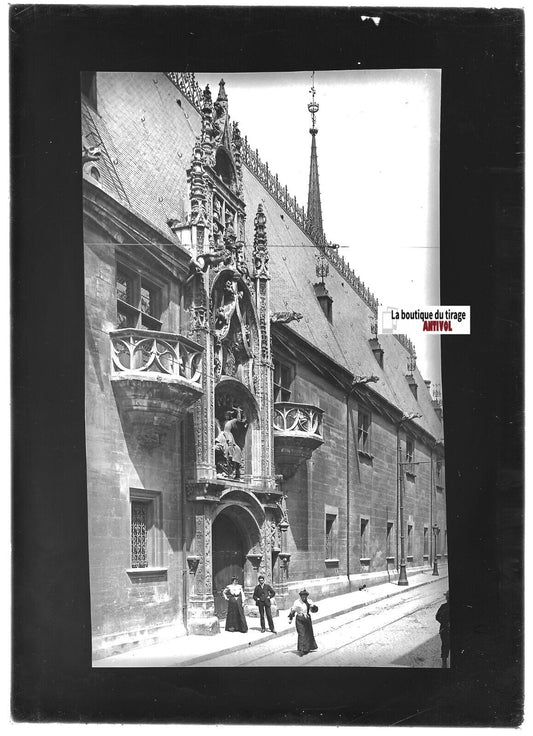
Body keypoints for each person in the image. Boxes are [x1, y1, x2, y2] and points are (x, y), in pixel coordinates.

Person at [288, 589, 318, 656]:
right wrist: (290, 619)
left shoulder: (309, 601)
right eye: (303, 596)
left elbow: (313, 609)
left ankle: (307, 648)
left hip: (307, 619)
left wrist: (313, 607)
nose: (304, 598)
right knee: (301, 634)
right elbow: (293, 611)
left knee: (308, 633)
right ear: (300, 596)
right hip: (300, 619)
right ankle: (301, 650)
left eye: (305, 596)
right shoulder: (297, 602)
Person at [436, 590, 450, 668]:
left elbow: (438, 617)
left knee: (445, 645)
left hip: (444, 630)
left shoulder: (444, 607)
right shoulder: (444, 607)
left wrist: (445, 622)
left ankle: (444, 662)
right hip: (445, 629)